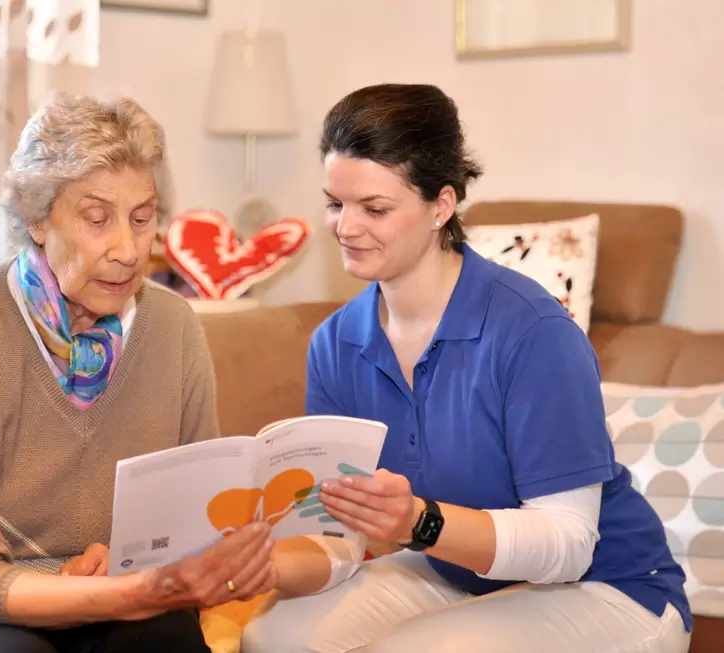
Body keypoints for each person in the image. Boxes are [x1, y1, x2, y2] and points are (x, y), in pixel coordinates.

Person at [241, 83, 692, 653]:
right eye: (335, 203)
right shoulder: (335, 344)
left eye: (374, 209)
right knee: (271, 636)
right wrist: (254, 563)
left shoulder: (533, 330)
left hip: (609, 587)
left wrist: (417, 522)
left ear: (441, 206)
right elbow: (338, 535)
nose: (345, 228)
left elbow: (569, 544)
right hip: (459, 574)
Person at [0, 93, 277, 653]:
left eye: (142, 219)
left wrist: (140, 572)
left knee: (165, 640)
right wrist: (112, 592)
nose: (128, 250)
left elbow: (196, 518)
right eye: (97, 219)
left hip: (109, 591)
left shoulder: (173, 327)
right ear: (37, 219)